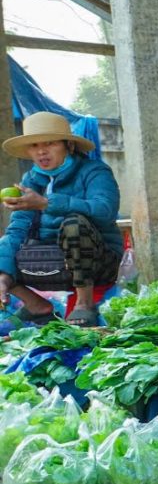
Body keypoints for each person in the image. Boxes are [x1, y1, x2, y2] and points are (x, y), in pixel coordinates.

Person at [0, 112, 122, 327]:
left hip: (97, 262)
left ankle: (85, 304)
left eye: (50, 143)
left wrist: (47, 203)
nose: (41, 151)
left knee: (74, 224)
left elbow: (105, 210)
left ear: (69, 145)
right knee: (5, 249)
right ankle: (37, 306)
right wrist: (4, 275)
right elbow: (17, 229)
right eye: (34, 145)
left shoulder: (94, 171)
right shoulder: (31, 179)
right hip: (48, 262)